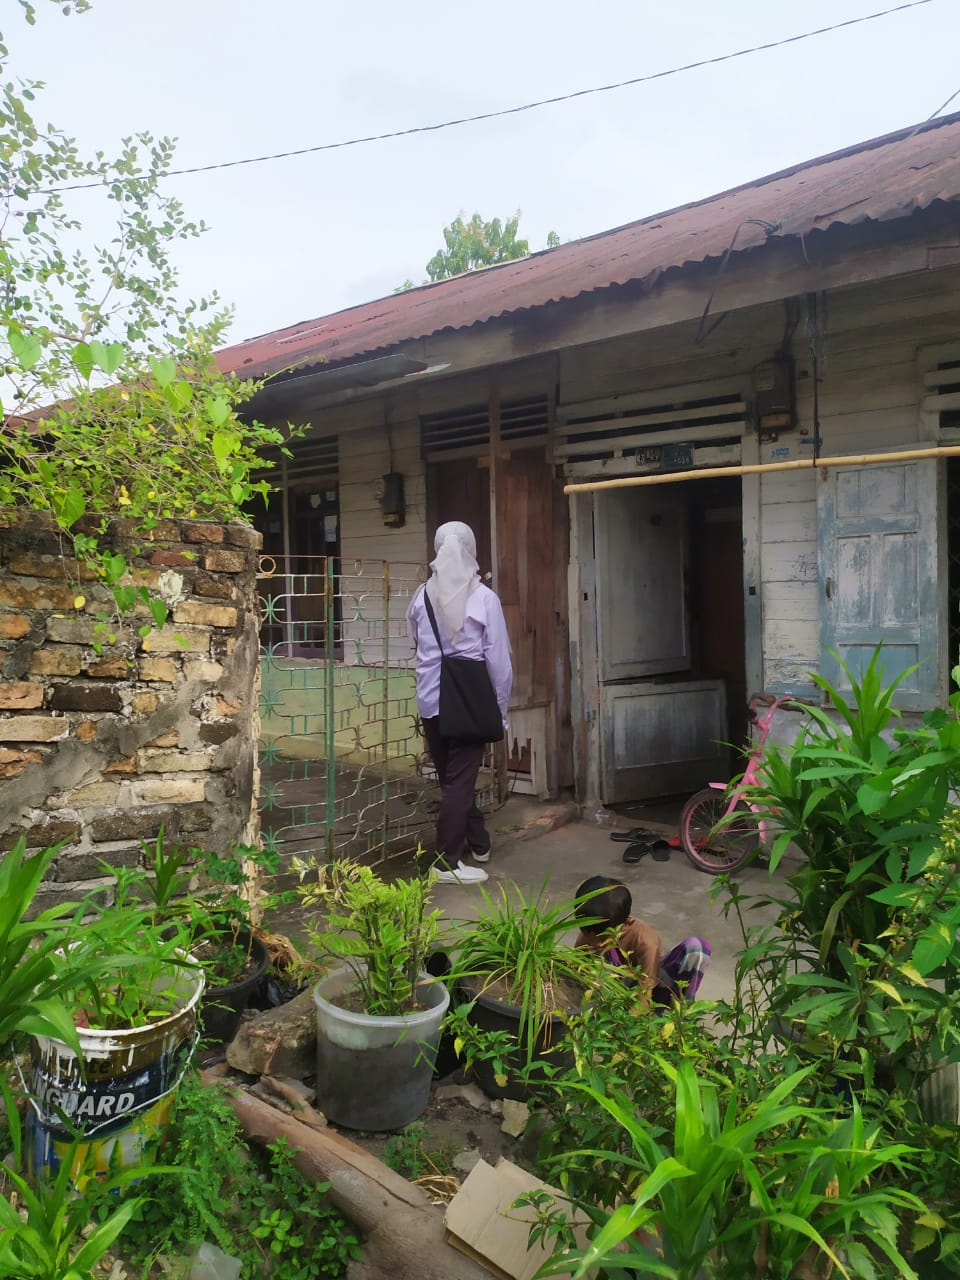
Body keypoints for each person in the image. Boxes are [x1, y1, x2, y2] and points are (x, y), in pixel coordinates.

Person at [407, 521, 512, 885]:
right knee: (459, 783)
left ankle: (478, 841)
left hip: (431, 699)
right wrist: (499, 708)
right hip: (468, 700)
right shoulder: (483, 598)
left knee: (452, 780)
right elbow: (498, 661)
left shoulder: (421, 596)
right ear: (471, 550)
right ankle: (446, 862)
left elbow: (415, 640)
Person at [574, 875, 711, 1005]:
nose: (596, 943)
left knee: (697, 948)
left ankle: (682, 1011)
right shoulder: (593, 928)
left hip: (651, 992)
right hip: (615, 991)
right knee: (596, 962)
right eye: (585, 933)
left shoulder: (646, 942)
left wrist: (629, 1019)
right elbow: (574, 968)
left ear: (624, 924)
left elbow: (644, 998)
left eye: (603, 938)